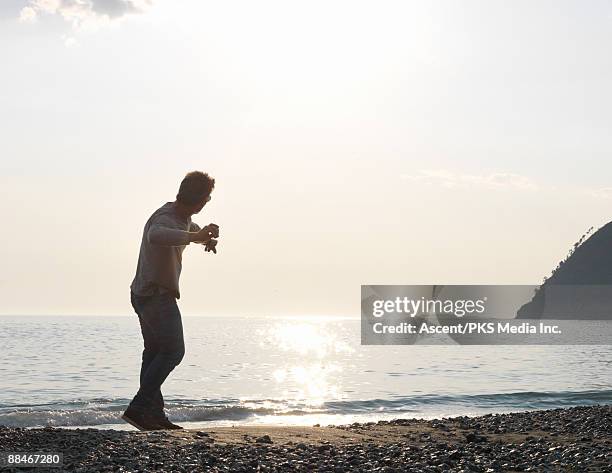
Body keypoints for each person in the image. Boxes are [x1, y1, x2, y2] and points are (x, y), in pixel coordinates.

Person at [122, 171, 219, 431]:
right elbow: (157, 235)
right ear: (198, 199)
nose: (208, 201)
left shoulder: (183, 218)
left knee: (154, 353)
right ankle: (138, 408)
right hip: (155, 295)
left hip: (144, 293)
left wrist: (205, 236)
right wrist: (194, 237)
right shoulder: (165, 217)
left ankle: (153, 416)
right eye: (207, 197)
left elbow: (190, 230)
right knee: (174, 351)